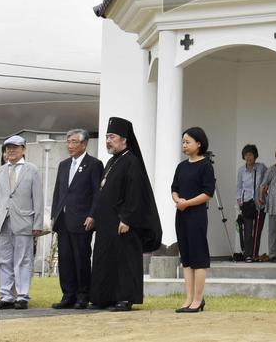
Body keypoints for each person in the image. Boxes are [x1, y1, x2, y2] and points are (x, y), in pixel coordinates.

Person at [87, 116, 162, 312]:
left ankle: (124, 298)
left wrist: (127, 218)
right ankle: (104, 297)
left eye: (112, 137)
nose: (108, 141)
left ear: (124, 139)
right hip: (106, 223)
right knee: (105, 259)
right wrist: (94, 215)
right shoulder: (112, 162)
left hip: (123, 223)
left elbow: (135, 194)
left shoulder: (131, 162)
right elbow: (102, 192)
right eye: (106, 137)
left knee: (124, 261)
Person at [0, 134, 44, 310]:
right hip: (3, 221)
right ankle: (5, 295)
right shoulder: (0, 171)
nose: (11, 151)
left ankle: (22, 295)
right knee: (4, 260)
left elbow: (38, 199)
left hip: (24, 221)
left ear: (24, 149)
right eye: (8, 148)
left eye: (15, 147)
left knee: (23, 259)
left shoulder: (32, 169)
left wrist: (37, 223)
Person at [50, 128, 103, 310]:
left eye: (74, 142)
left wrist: (92, 215)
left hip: (82, 220)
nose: (70, 145)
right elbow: (58, 192)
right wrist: (54, 216)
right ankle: (68, 294)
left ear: (84, 144)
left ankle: (83, 295)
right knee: (65, 259)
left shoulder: (94, 164)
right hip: (63, 219)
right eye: (68, 142)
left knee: (81, 258)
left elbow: (97, 193)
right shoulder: (64, 165)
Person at [171, 126, 216, 313]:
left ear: (199, 144)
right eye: (183, 142)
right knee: (186, 259)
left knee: (198, 257)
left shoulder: (206, 165)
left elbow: (208, 193)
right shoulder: (181, 166)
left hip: (196, 216)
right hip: (181, 214)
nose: (184, 145)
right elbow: (174, 189)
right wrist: (178, 200)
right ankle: (188, 298)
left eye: (188, 142)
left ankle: (198, 299)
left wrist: (187, 203)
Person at [235, 144, 266, 262]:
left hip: (259, 203)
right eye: (246, 155)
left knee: (257, 230)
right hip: (247, 203)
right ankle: (248, 255)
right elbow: (238, 187)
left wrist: (264, 193)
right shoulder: (241, 171)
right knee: (248, 231)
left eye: (251, 154)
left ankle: (255, 254)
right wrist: (239, 200)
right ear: (243, 156)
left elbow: (267, 180)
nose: (249, 157)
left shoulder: (261, 168)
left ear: (255, 156)